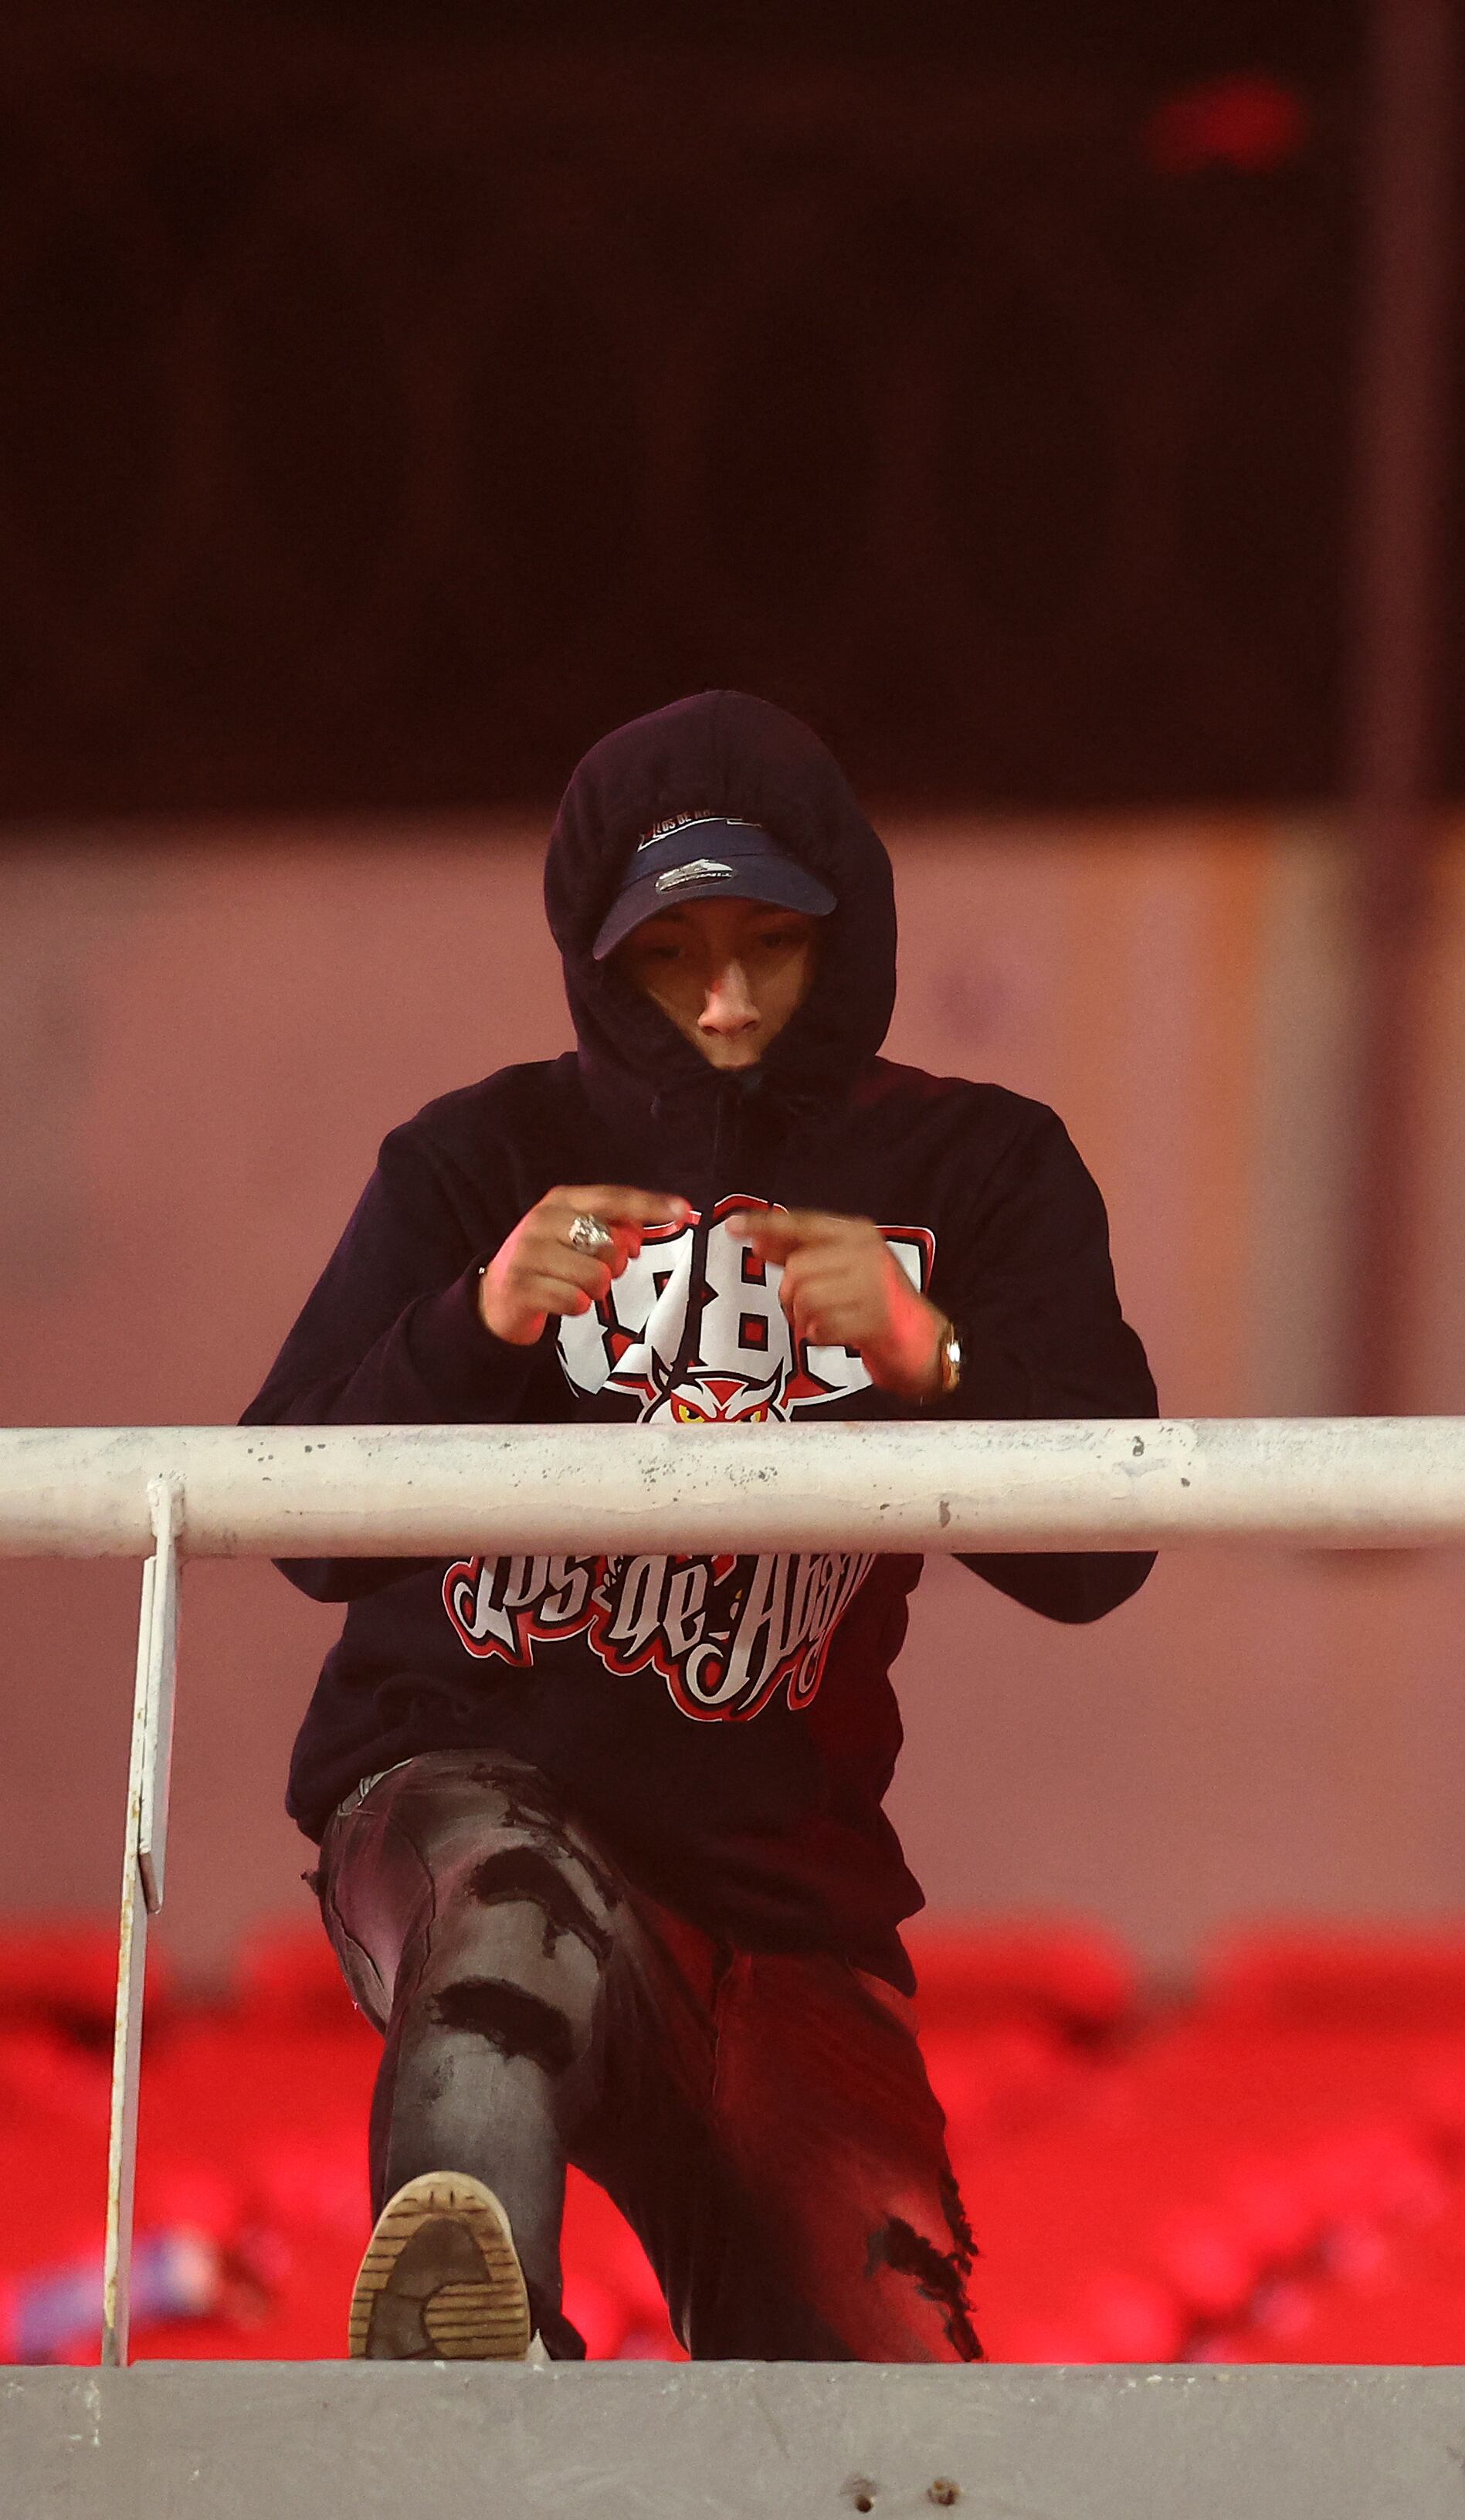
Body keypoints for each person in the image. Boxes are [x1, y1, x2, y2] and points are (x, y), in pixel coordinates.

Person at [246, 690, 1161, 2362]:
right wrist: (478, 1322)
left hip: (779, 1895)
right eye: (671, 955)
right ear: (602, 960)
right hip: (464, 1782)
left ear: (850, 936)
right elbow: (294, 1519)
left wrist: (926, 1356)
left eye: (770, 945)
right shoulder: (479, 1158)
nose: (728, 1002)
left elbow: (1103, 1555)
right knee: (500, 1942)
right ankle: (470, 2382)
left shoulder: (980, 1167)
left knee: (884, 2380)